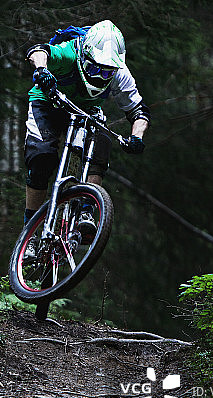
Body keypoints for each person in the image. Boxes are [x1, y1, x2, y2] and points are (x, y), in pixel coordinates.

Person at [23, 20, 150, 237]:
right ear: (84, 57)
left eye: (106, 73)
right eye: (94, 68)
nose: (100, 76)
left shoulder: (120, 72)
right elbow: (38, 51)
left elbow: (139, 111)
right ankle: (30, 231)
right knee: (41, 157)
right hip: (48, 102)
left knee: (100, 145)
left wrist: (136, 136)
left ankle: (86, 210)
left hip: (86, 110)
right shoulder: (69, 54)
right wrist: (42, 70)